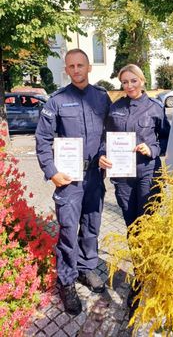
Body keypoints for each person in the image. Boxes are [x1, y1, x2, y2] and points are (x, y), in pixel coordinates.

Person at [35, 49, 111, 315]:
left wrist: (104, 154)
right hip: (68, 180)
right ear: (66, 70)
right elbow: (43, 141)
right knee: (68, 231)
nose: (76, 69)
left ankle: (87, 269)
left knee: (91, 226)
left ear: (89, 68)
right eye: (71, 66)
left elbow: (107, 134)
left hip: (94, 178)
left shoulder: (101, 97)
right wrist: (52, 172)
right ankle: (66, 281)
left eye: (81, 65)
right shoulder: (56, 101)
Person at [99, 64, 170, 313]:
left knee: (148, 227)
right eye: (124, 82)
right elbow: (104, 140)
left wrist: (152, 149)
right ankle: (140, 276)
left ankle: (152, 275)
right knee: (132, 228)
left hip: (148, 175)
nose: (129, 86)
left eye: (133, 81)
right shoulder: (115, 108)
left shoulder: (155, 108)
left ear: (142, 80)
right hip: (123, 178)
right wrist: (102, 156)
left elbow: (166, 140)